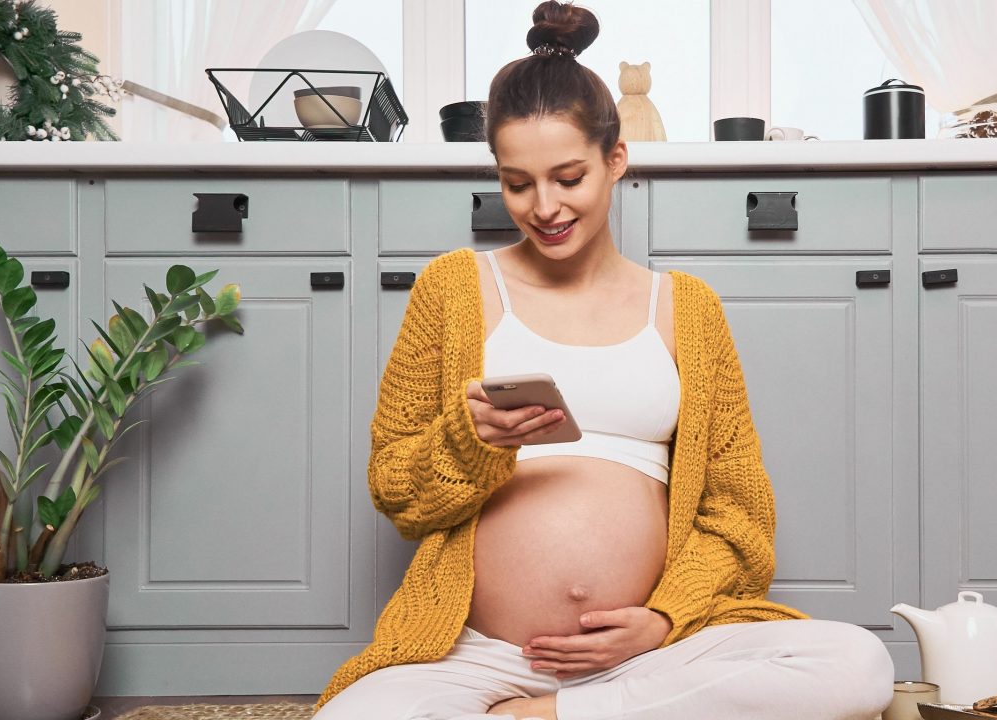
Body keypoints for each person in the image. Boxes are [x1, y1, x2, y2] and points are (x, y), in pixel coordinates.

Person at [313, 2, 894, 719]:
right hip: (482, 653)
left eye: (568, 177)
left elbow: (739, 518)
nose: (544, 206)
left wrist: (663, 620)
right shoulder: (454, 288)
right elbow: (395, 490)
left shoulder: (688, 308)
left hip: (653, 657)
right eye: (517, 183)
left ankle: (555, 717)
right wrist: (472, 442)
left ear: (615, 160)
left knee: (858, 666)